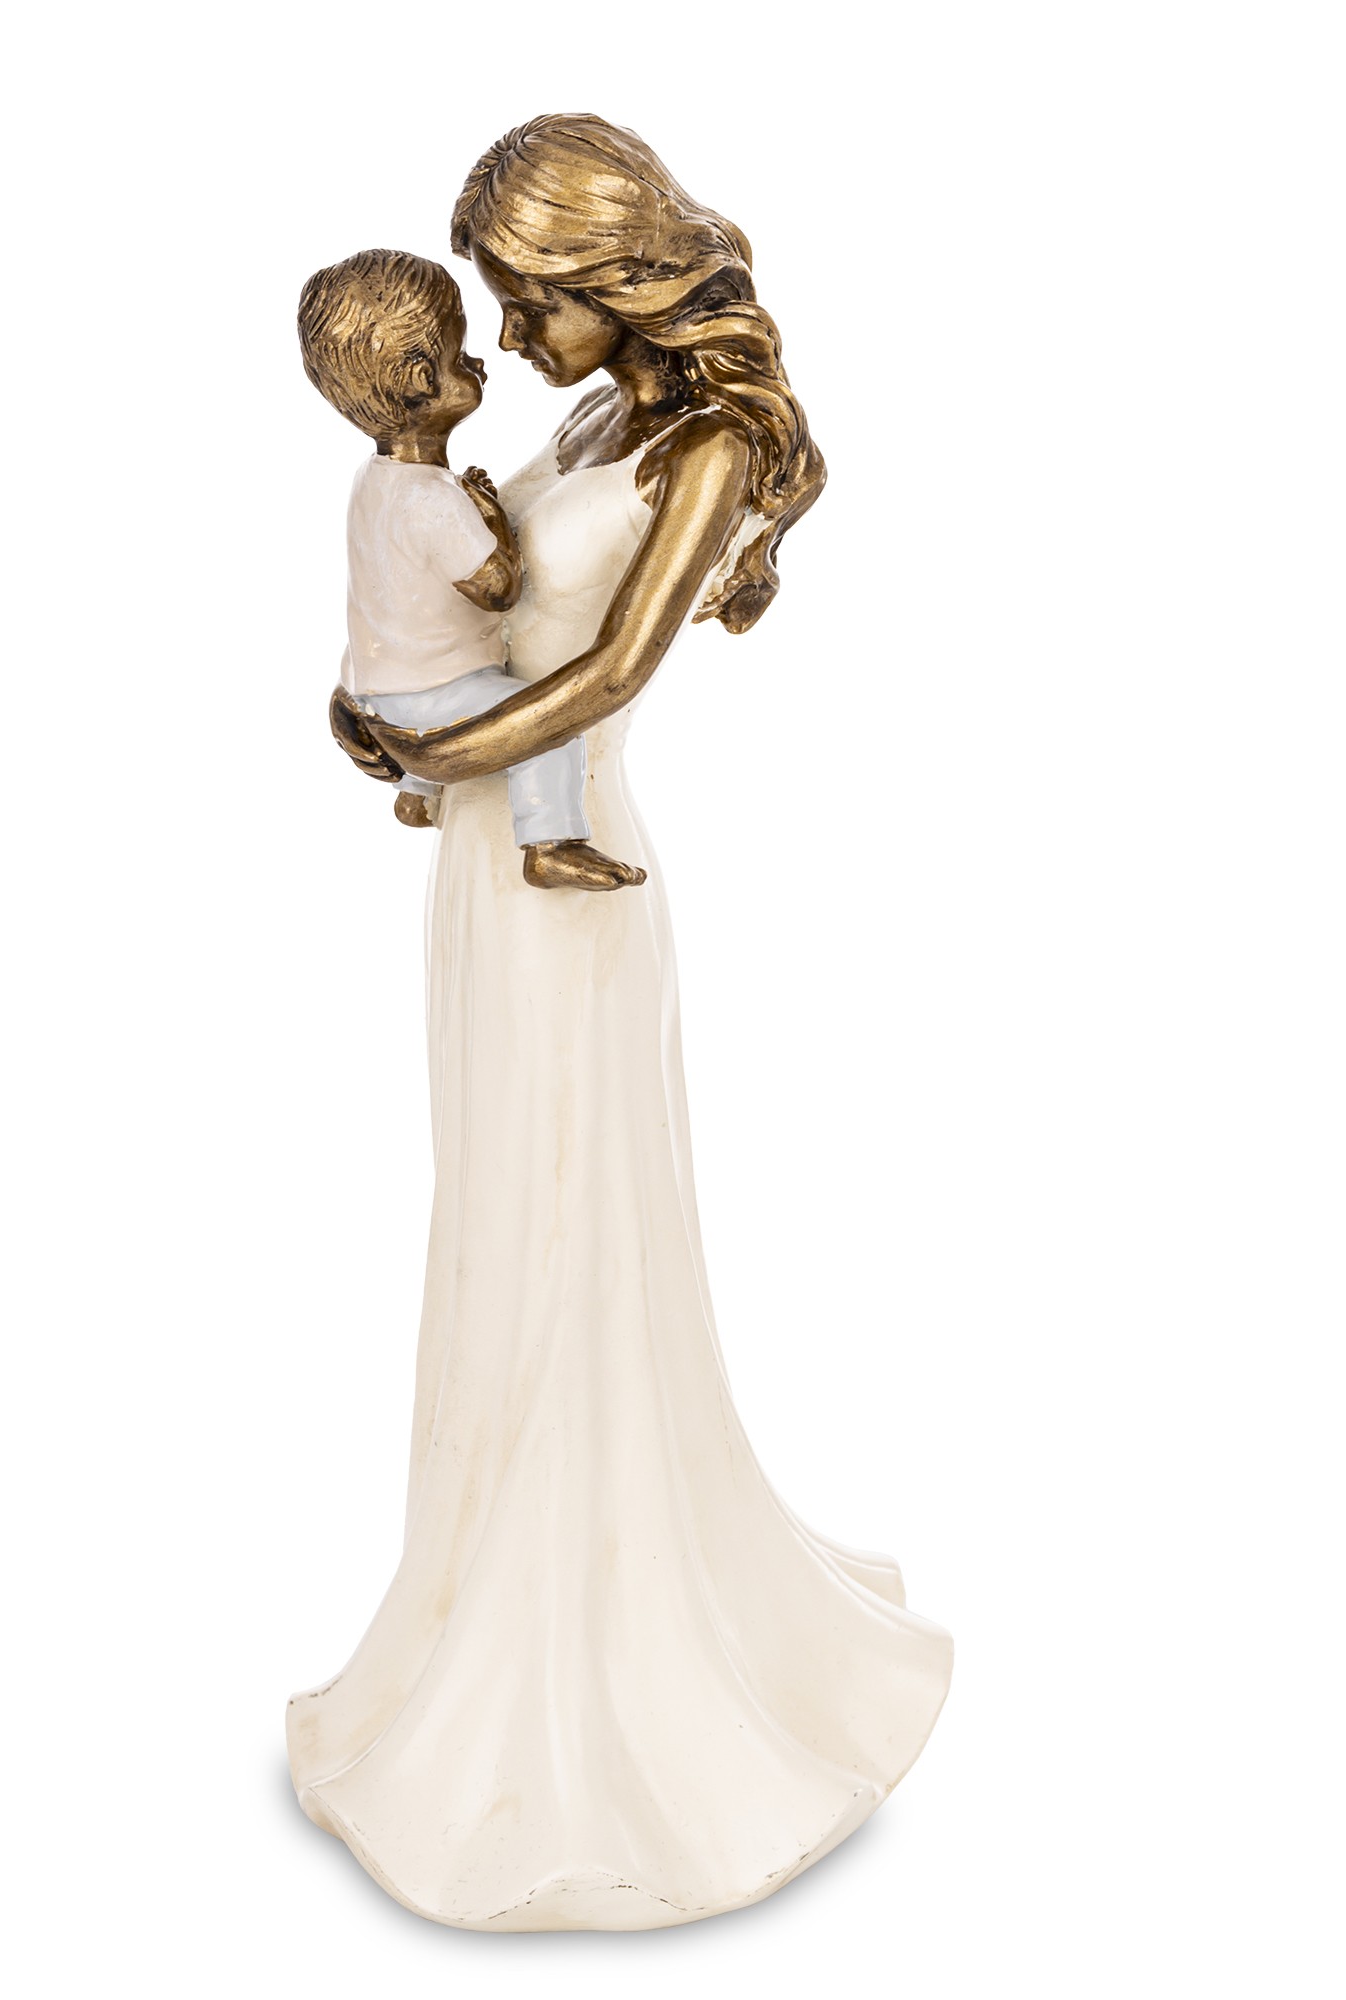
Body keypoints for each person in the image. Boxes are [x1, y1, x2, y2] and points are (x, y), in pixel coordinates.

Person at [291, 117, 952, 1932]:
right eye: (492, 308)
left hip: (573, 884)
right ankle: (481, 1623)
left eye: (529, 303)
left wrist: (436, 748)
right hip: (490, 870)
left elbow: (604, 672)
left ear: (616, 280)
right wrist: (372, 710)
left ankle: (605, 1674)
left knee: (567, 1221)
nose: (507, 342)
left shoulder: (713, 447)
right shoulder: (592, 418)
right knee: (498, 1218)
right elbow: (443, 604)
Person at [297, 248, 645, 892]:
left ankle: (416, 792)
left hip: (372, 684)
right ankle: (552, 842)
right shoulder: (434, 499)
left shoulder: (371, 481)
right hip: (435, 692)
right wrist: (490, 516)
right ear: (419, 379)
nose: (481, 361)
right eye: (460, 358)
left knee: (440, 683)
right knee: (546, 727)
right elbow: (499, 589)